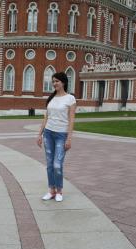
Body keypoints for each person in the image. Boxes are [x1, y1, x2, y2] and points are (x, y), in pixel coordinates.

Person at [37, 72, 76, 202]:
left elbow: (71, 120)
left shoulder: (70, 99)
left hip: (61, 135)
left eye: (57, 81)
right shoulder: (51, 99)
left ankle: (59, 191)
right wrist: (39, 134)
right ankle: (51, 190)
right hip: (48, 133)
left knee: (57, 164)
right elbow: (46, 117)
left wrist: (69, 138)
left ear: (63, 82)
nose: (54, 83)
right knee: (49, 164)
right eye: (53, 81)